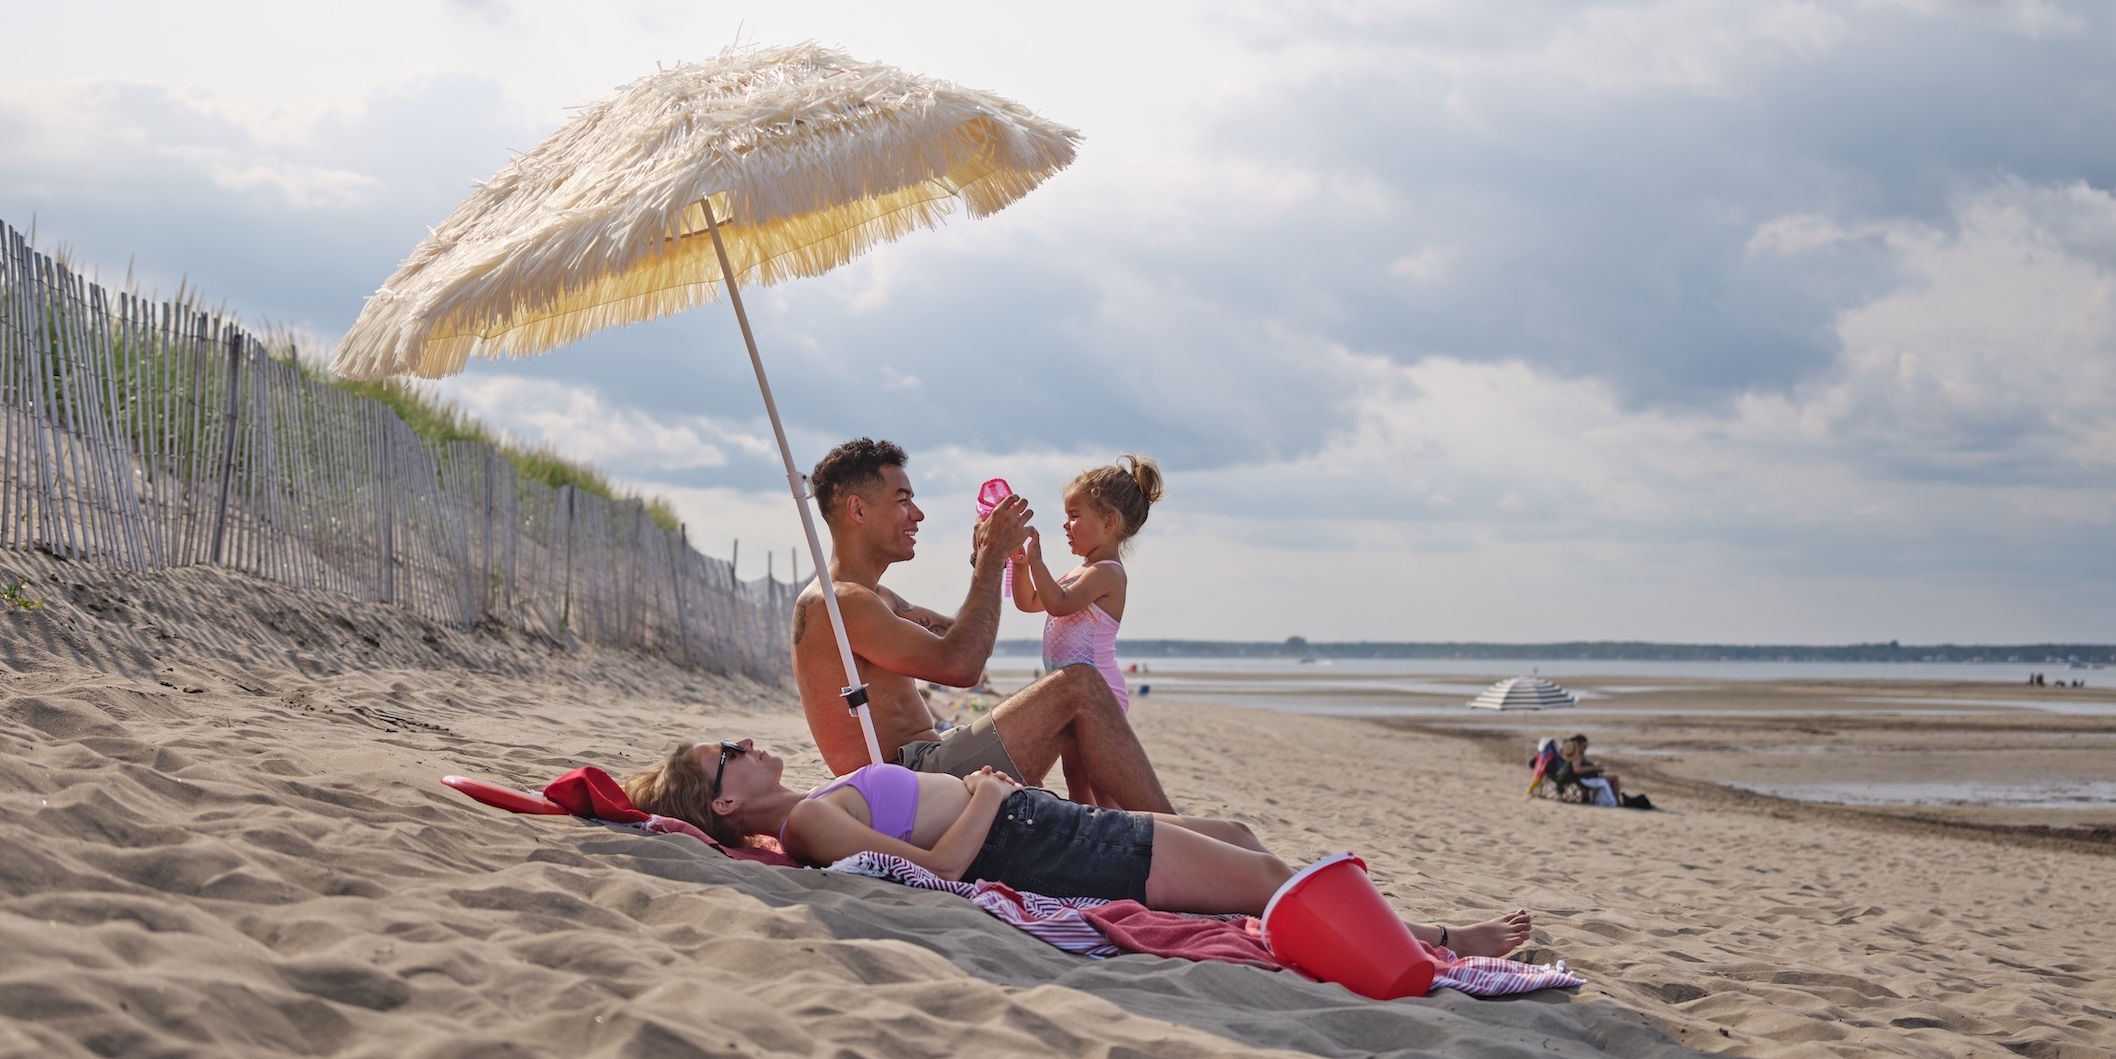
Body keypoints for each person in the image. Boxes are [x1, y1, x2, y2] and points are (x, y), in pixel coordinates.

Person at [625, 735, 1533, 958]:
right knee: (1259, 877)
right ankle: (1436, 940)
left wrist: (990, 800)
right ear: (729, 796)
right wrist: (985, 795)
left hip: (1039, 827)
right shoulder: (806, 825)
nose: (744, 744)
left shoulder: (810, 807)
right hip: (1033, 840)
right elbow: (938, 873)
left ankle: (1401, 931)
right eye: (728, 754)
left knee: (1241, 839)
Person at [791, 438, 1175, 809]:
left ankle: (1142, 828)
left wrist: (984, 560)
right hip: (909, 783)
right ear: (857, 510)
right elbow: (962, 665)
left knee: (1076, 693)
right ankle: (1168, 832)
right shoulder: (838, 602)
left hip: (931, 762)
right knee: (1079, 684)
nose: (919, 514)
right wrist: (992, 559)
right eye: (903, 500)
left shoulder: (876, 598)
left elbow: (960, 634)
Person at [1010, 454, 1159, 803]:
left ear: (1109, 523)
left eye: (1074, 516)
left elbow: (1058, 603)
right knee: (1074, 773)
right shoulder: (1079, 571)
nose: (1066, 524)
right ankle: (1087, 829)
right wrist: (1020, 566)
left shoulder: (1107, 572)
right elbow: (1030, 601)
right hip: (1071, 694)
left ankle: (1112, 829)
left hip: (1100, 694)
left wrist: (1037, 561)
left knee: (1099, 778)